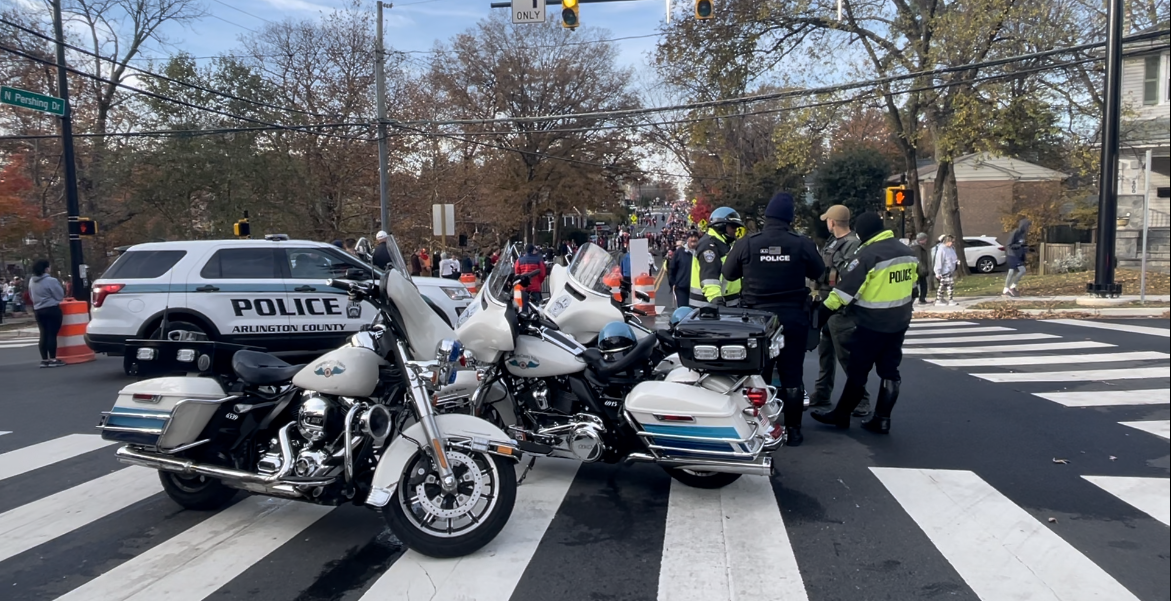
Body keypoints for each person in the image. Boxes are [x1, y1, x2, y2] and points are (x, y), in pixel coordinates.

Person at [722, 192, 824, 446]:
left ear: (767, 216)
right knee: (792, 374)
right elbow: (819, 271)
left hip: (757, 320)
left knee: (758, 375)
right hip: (792, 317)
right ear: (789, 219)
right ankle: (795, 430)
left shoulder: (748, 243)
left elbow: (728, 273)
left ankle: (761, 426)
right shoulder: (801, 243)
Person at [811, 212, 916, 434]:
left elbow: (843, 292)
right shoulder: (907, 252)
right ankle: (882, 419)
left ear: (864, 232)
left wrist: (821, 314)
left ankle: (841, 415)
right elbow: (914, 286)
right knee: (890, 371)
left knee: (858, 370)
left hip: (871, 322)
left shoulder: (869, 255)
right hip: (899, 321)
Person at [809, 205, 870, 415]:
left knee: (847, 356)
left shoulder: (853, 245)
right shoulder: (833, 242)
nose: (827, 223)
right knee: (825, 353)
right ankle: (822, 393)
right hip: (826, 301)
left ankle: (862, 399)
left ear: (832, 222)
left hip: (842, 307)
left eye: (828, 220)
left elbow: (851, 276)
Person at [689, 207, 744, 307]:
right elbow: (709, 278)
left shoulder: (723, 245)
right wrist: (716, 300)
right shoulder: (709, 247)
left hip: (727, 306)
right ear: (721, 226)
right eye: (733, 227)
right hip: (708, 309)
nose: (735, 231)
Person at [28, 260, 66, 368]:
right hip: (51, 308)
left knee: (43, 334)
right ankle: (53, 359)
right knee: (52, 334)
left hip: (38, 309)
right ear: (46, 269)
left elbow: (31, 295)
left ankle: (44, 359)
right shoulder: (51, 280)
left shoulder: (32, 280)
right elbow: (59, 295)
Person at [669, 233, 698, 308]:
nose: (693, 239)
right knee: (683, 312)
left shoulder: (701, 251)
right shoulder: (680, 252)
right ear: (687, 239)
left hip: (698, 290)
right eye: (691, 237)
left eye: (695, 237)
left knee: (696, 314)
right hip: (682, 288)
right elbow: (672, 268)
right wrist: (673, 283)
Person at [1004, 218, 1031, 297]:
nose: (1028, 228)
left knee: (1011, 273)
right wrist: (1019, 246)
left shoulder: (1023, 234)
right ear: (1023, 226)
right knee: (1022, 270)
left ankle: (1005, 290)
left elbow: (1021, 244)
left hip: (1018, 255)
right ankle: (1012, 287)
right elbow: (1009, 245)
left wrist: (1025, 248)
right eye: (1027, 226)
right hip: (1012, 255)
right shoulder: (1016, 232)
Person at [515, 244, 547, 309]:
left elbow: (517, 274)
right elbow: (542, 274)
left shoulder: (519, 260)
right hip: (535, 286)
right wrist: (538, 282)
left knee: (523, 306)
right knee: (537, 307)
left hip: (523, 287)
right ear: (532, 250)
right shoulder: (539, 260)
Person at [934, 235, 959, 306]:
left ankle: (940, 299)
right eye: (951, 242)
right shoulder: (941, 250)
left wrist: (956, 262)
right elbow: (939, 261)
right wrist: (937, 272)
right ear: (946, 241)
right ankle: (947, 300)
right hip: (944, 271)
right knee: (947, 285)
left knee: (944, 286)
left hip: (949, 270)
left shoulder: (951, 249)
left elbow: (953, 258)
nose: (952, 243)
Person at [911, 233, 931, 304]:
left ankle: (921, 298)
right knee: (922, 284)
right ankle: (921, 298)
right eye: (925, 239)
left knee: (921, 284)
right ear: (921, 239)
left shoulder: (917, 247)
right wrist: (923, 269)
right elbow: (919, 260)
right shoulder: (917, 248)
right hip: (919, 270)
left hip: (919, 269)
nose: (926, 241)